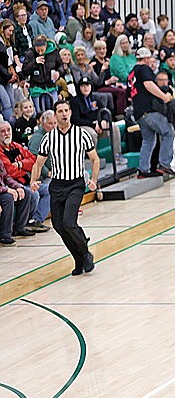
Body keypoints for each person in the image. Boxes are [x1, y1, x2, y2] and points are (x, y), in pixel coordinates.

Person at [29, 98, 98, 274]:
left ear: (70, 112)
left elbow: (95, 159)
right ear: (56, 115)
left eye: (66, 110)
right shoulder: (49, 138)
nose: (64, 114)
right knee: (59, 226)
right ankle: (78, 259)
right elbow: (38, 163)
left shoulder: (82, 134)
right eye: (60, 111)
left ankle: (85, 253)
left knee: (69, 222)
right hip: (57, 185)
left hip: (76, 183)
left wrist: (94, 180)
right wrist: (33, 180)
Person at [128, 46, 175, 178]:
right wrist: (164, 97)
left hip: (138, 112)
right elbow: (149, 85)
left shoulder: (131, 73)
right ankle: (164, 164)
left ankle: (143, 169)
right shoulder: (144, 69)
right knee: (168, 132)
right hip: (149, 111)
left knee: (148, 140)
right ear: (146, 58)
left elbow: (129, 95)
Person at [0, 120, 44, 235]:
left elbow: (34, 161)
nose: (6, 134)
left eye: (8, 130)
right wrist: (25, 168)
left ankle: (34, 221)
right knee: (32, 194)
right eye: (2, 131)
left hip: (24, 181)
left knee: (46, 189)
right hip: (11, 183)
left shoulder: (15, 145)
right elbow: (9, 171)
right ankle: (18, 227)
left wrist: (20, 164)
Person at [70, 76, 122, 165]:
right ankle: (92, 158)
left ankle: (117, 155)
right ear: (79, 88)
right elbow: (76, 120)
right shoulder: (75, 101)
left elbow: (104, 111)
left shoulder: (95, 98)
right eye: (83, 86)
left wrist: (104, 120)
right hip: (84, 126)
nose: (86, 88)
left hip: (98, 124)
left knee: (114, 127)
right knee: (92, 134)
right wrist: (93, 125)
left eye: (87, 85)